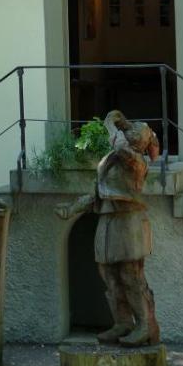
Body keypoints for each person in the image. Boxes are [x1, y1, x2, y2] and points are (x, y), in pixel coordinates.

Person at [55, 111, 162, 346]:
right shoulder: (111, 160)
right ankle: (123, 322)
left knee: (130, 274)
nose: (130, 130)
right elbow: (98, 194)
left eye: (136, 130)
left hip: (129, 221)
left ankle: (145, 325)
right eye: (130, 128)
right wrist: (71, 209)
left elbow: (121, 146)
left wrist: (110, 124)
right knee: (109, 275)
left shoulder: (137, 161)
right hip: (108, 219)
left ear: (141, 141)